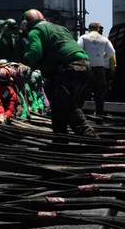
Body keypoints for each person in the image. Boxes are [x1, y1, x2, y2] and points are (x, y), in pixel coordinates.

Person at [20, 9, 96, 138]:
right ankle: (60, 139)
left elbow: (35, 53)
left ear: (25, 23)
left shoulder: (35, 31)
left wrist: (23, 62)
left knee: (66, 104)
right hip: (85, 65)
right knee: (57, 104)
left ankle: (91, 138)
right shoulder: (59, 28)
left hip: (70, 66)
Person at [78, 21, 116, 115]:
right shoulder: (104, 39)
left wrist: (84, 58)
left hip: (88, 67)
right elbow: (111, 52)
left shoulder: (84, 37)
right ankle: (100, 115)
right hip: (100, 68)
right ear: (98, 29)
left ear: (89, 29)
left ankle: (83, 114)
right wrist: (103, 57)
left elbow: (78, 48)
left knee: (84, 91)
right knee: (100, 93)